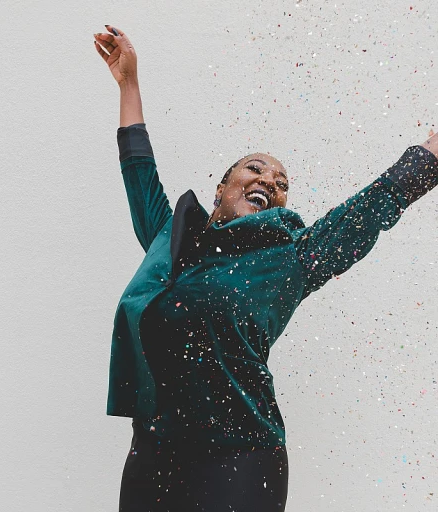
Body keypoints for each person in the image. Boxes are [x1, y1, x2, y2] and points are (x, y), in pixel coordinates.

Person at [94, 25, 438, 512]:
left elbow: (369, 209)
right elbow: (138, 170)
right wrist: (129, 85)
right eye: (255, 168)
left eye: (281, 183)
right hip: (153, 453)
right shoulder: (168, 241)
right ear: (222, 188)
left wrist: (432, 151)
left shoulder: (291, 257)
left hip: (240, 461)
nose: (270, 182)